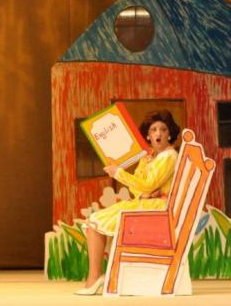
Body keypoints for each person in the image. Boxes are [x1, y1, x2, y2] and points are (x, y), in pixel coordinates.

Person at [76, 109, 180, 296]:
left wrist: (119, 174)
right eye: (153, 129)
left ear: (169, 133)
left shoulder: (169, 156)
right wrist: (144, 193)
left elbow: (146, 184)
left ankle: (95, 277)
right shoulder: (149, 157)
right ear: (147, 135)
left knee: (96, 222)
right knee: (94, 222)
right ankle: (97, 276)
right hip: (146, 203)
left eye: (163, 129)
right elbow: (138, 187)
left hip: (157, 209)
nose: (158, 133)